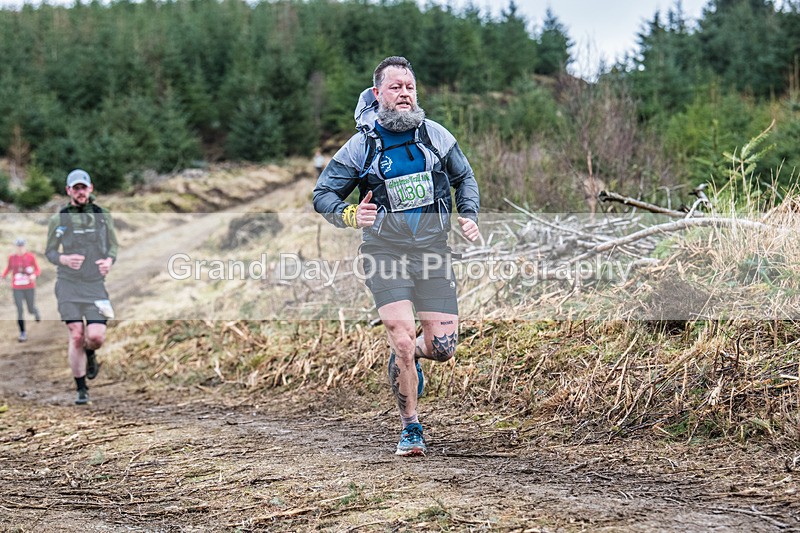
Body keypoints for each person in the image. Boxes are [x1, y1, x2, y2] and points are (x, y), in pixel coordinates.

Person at [313, 56, 480, 456]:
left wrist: (468, 215)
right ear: (377, 94)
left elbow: (464, 178)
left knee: (443, 347)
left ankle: (411, 359)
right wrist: (352, 214)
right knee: (402, 338)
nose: (404, 93)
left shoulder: (435, 135)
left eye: (409, 87)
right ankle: (411, 428)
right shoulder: (361, 145)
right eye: (395, 87)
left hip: (433, 252)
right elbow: (323, 196)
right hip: (384, 252)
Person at [45, 169, 118, 405]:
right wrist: (63, 259)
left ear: (90, 188)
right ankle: (81, 389)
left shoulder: (103, 215)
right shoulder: (59, 218)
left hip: (95, 284)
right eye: (75, 188)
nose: (80, 192)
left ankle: (91, 353)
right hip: (68, 283)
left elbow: (113, 248)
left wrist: (109, 261)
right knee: (76, 334)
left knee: (95, 336)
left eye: (83, 187)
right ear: (68, 191)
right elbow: (50, 252)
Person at [1, 237, 41, 342]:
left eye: (22, 246)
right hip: (17, 287)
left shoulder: (30, 257)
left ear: (25, 246)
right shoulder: (11, 258)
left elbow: (37, 270)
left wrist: (34, 276)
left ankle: (35, 311)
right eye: (18, 246)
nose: (20, 248)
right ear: (15, 247)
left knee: (30, 308)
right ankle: (22, 332)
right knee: (19, 310)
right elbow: (8, 268)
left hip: (29, 287)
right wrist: (3, 276)